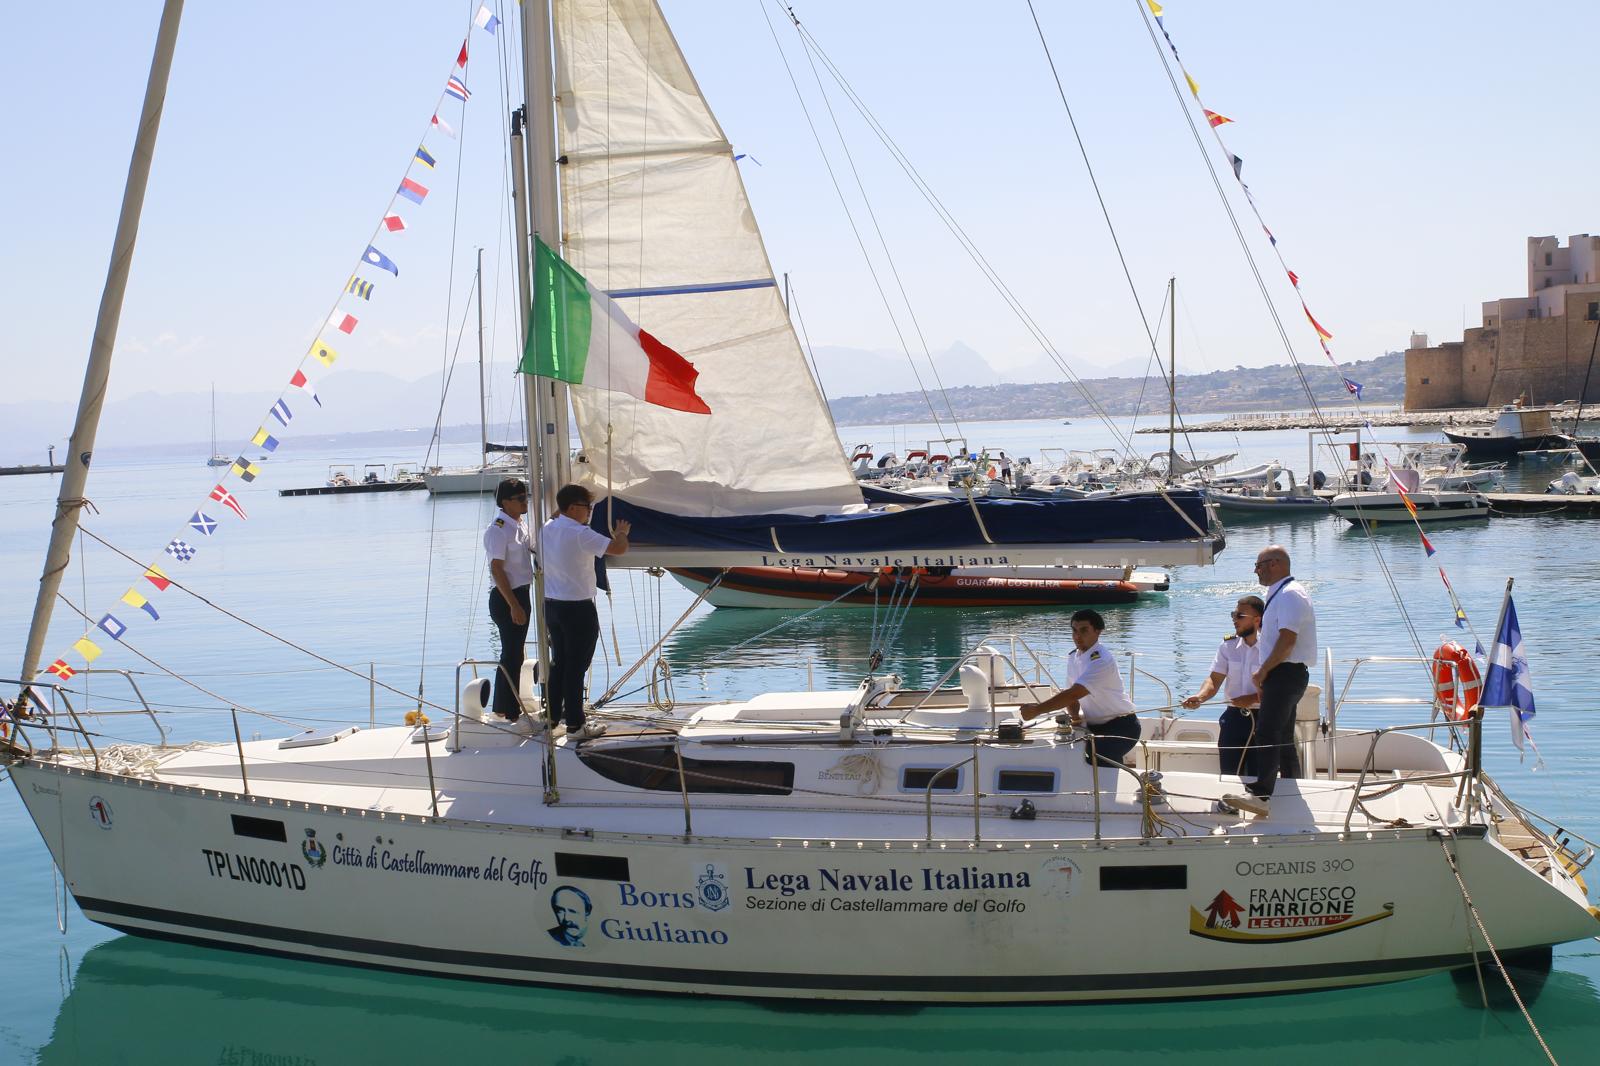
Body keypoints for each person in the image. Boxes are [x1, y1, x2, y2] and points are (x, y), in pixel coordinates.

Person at [1224, 545, 1317, 818]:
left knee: (1267, 732)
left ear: (1275, 564)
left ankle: (1262, 795)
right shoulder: (1279, 593)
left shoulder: (1290, 594)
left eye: (1259, 565)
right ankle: (1290, 787)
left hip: (1285, 673)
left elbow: (1288, 640)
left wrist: (1262, 672)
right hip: (1283, 673)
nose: (1256, 570)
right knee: (1283, 736)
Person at [543, 483, 630, 739]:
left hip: (552, 606)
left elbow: (555, 518)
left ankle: (552, 719)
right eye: (587, 507)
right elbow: (618, 549)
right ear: (572, 508)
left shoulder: (547, 528)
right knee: (576, 667)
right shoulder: (581, 534)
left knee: (559, 663)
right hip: (577, 608)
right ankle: (575, 725)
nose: (590, 512)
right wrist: (621, 532)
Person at [1020, 609, 1139, 768]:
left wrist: (1037, 710)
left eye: (1084, 630)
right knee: (1076, 754)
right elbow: (1072, 696)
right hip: (1094, 726)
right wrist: (1075, 719)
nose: (1077, 636)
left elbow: (1073, 694)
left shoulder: (1101, 661)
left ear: (1098, 631)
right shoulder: (1073, 657)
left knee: (1098, 761)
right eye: (1074, 630)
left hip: (1122, 727)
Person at [1180, 595, 1265, 780]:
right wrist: (1200, 697)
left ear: (1257, 620)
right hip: (1234, 717)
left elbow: (1279, 687)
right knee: (1228, 775)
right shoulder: (1228, 646)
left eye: (1240, 616)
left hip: (1263, 718)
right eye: (1233, 614)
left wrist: (1252, 699)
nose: (1234, 620)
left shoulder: (1271, 648)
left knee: (1258, 776)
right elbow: (1214, 680)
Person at [484, 478, 534, 724]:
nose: (526, 501)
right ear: (505, 502)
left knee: (515, 654)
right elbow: (496, 568)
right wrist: (514, 605)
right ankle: (508, 711)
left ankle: (504, 707)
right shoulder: (499, 529)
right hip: (507, 597)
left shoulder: (520, 524)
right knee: (512, 654)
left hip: (522, 593)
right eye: (520, 498)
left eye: (526, 496)